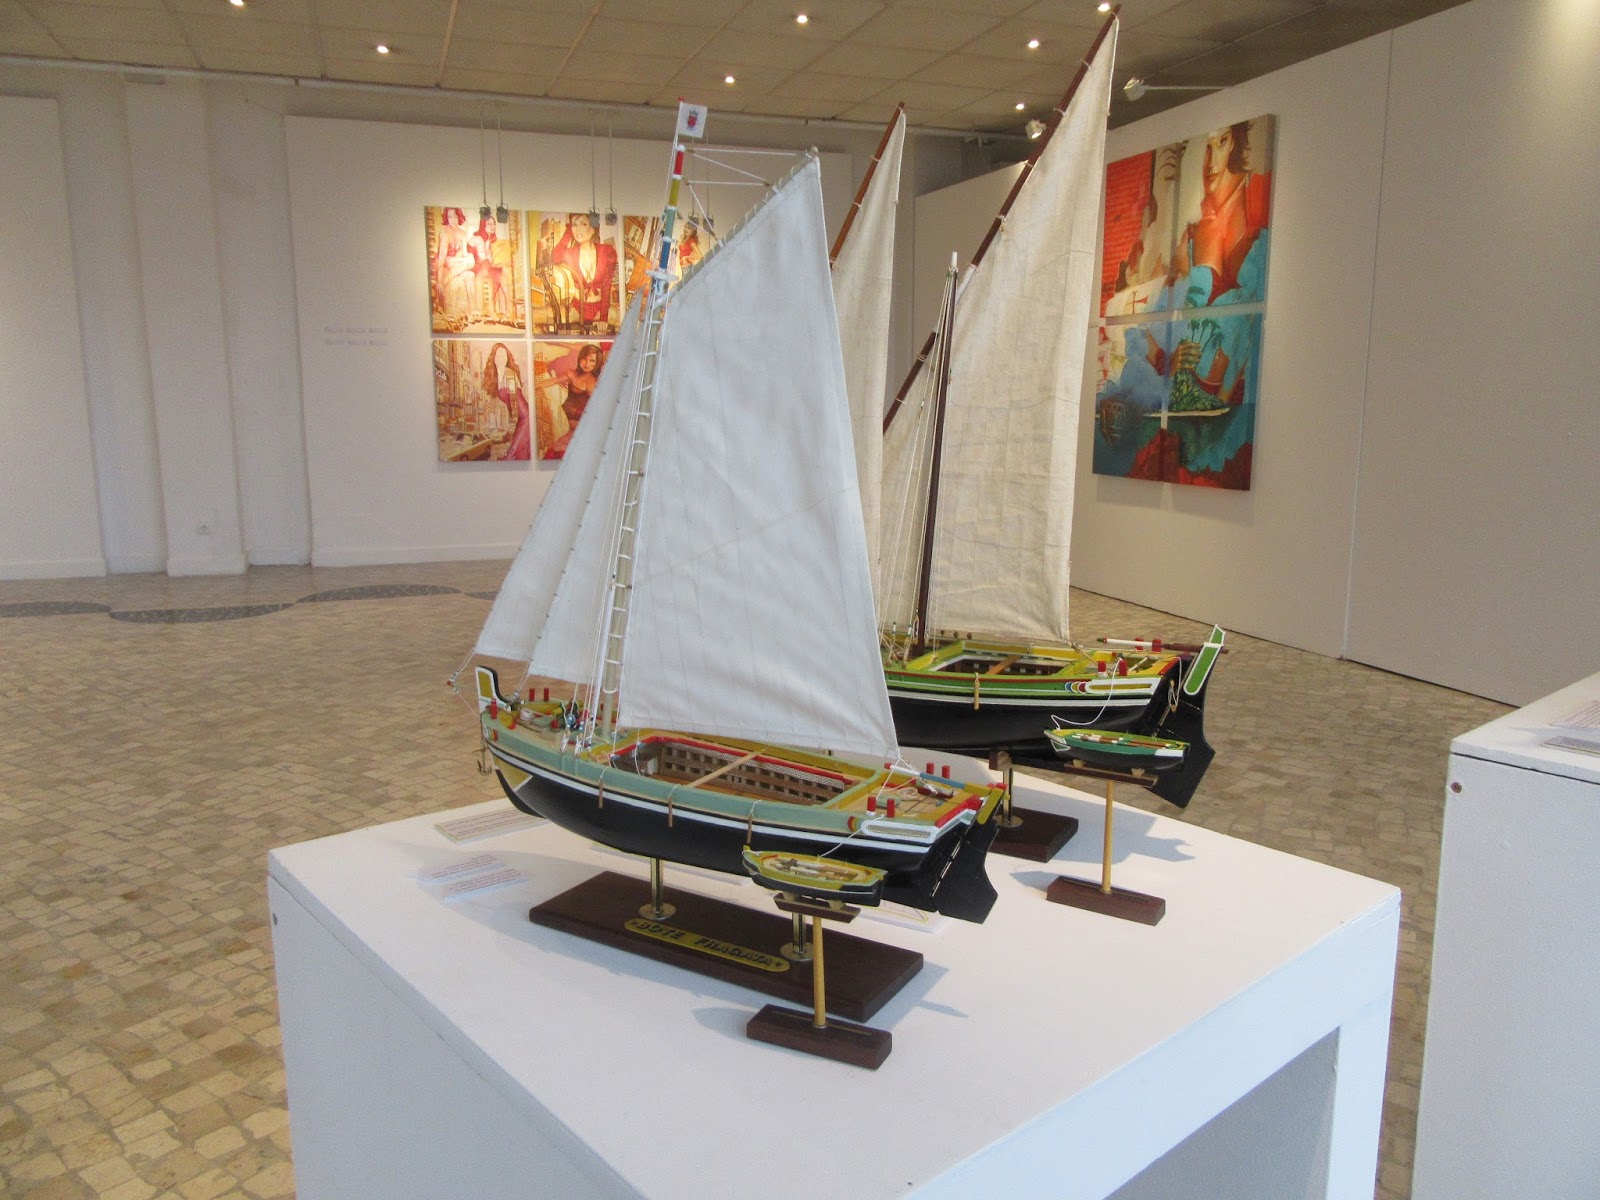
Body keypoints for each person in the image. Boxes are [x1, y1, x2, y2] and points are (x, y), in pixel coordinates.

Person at [1173, 121, 1272, 308]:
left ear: (1233, 141)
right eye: (1205, 148)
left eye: (1222, 142)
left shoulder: (1261, 192)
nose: (1212, 163)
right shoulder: (1186, 227)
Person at [549, 213, 618, 331]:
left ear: (593, 229)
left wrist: (603, 317)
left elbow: (607, 285)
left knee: (629, 324)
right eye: (574, 225)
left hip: (600, 309)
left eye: (583, 224)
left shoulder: (607, 251)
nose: (578, 229)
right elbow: (554, 257)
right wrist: (569, 231)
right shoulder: (570, 253)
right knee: (535, 318)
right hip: (577, 308)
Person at [540, 343, 604, 459]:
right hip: (573, 427)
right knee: (559, 450)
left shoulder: (598, 380)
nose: (587, 364)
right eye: (584, 359)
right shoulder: (572, 374)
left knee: (561, 451)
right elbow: (553, 381)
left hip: (588, 427)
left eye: (592, 361)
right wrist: (534, 386)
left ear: (597, 363)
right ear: (580, 358)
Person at [482, 343, 529, 461]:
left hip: (524, 417)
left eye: (504, 355)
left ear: (507, 358)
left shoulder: (510, 374)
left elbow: (515, 406)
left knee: (514, 452)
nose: (502, 358)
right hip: (516, 417)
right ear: (494, 358)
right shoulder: (493, 376)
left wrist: (510, 430)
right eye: (499, 355)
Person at [432, 208, 474, 329]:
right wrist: (440, 280)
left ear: (459, 217)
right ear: (446, 218)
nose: (453, 220)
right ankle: (445, 281)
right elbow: (442, 258)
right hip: (447, 264)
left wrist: (464, 258)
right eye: (450, 217)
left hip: (457, 263)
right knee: (464, 263)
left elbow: (464, 254)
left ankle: (471, 311)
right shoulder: (444, 233)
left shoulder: (462, 233)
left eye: (455, 217)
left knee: (470, 274)